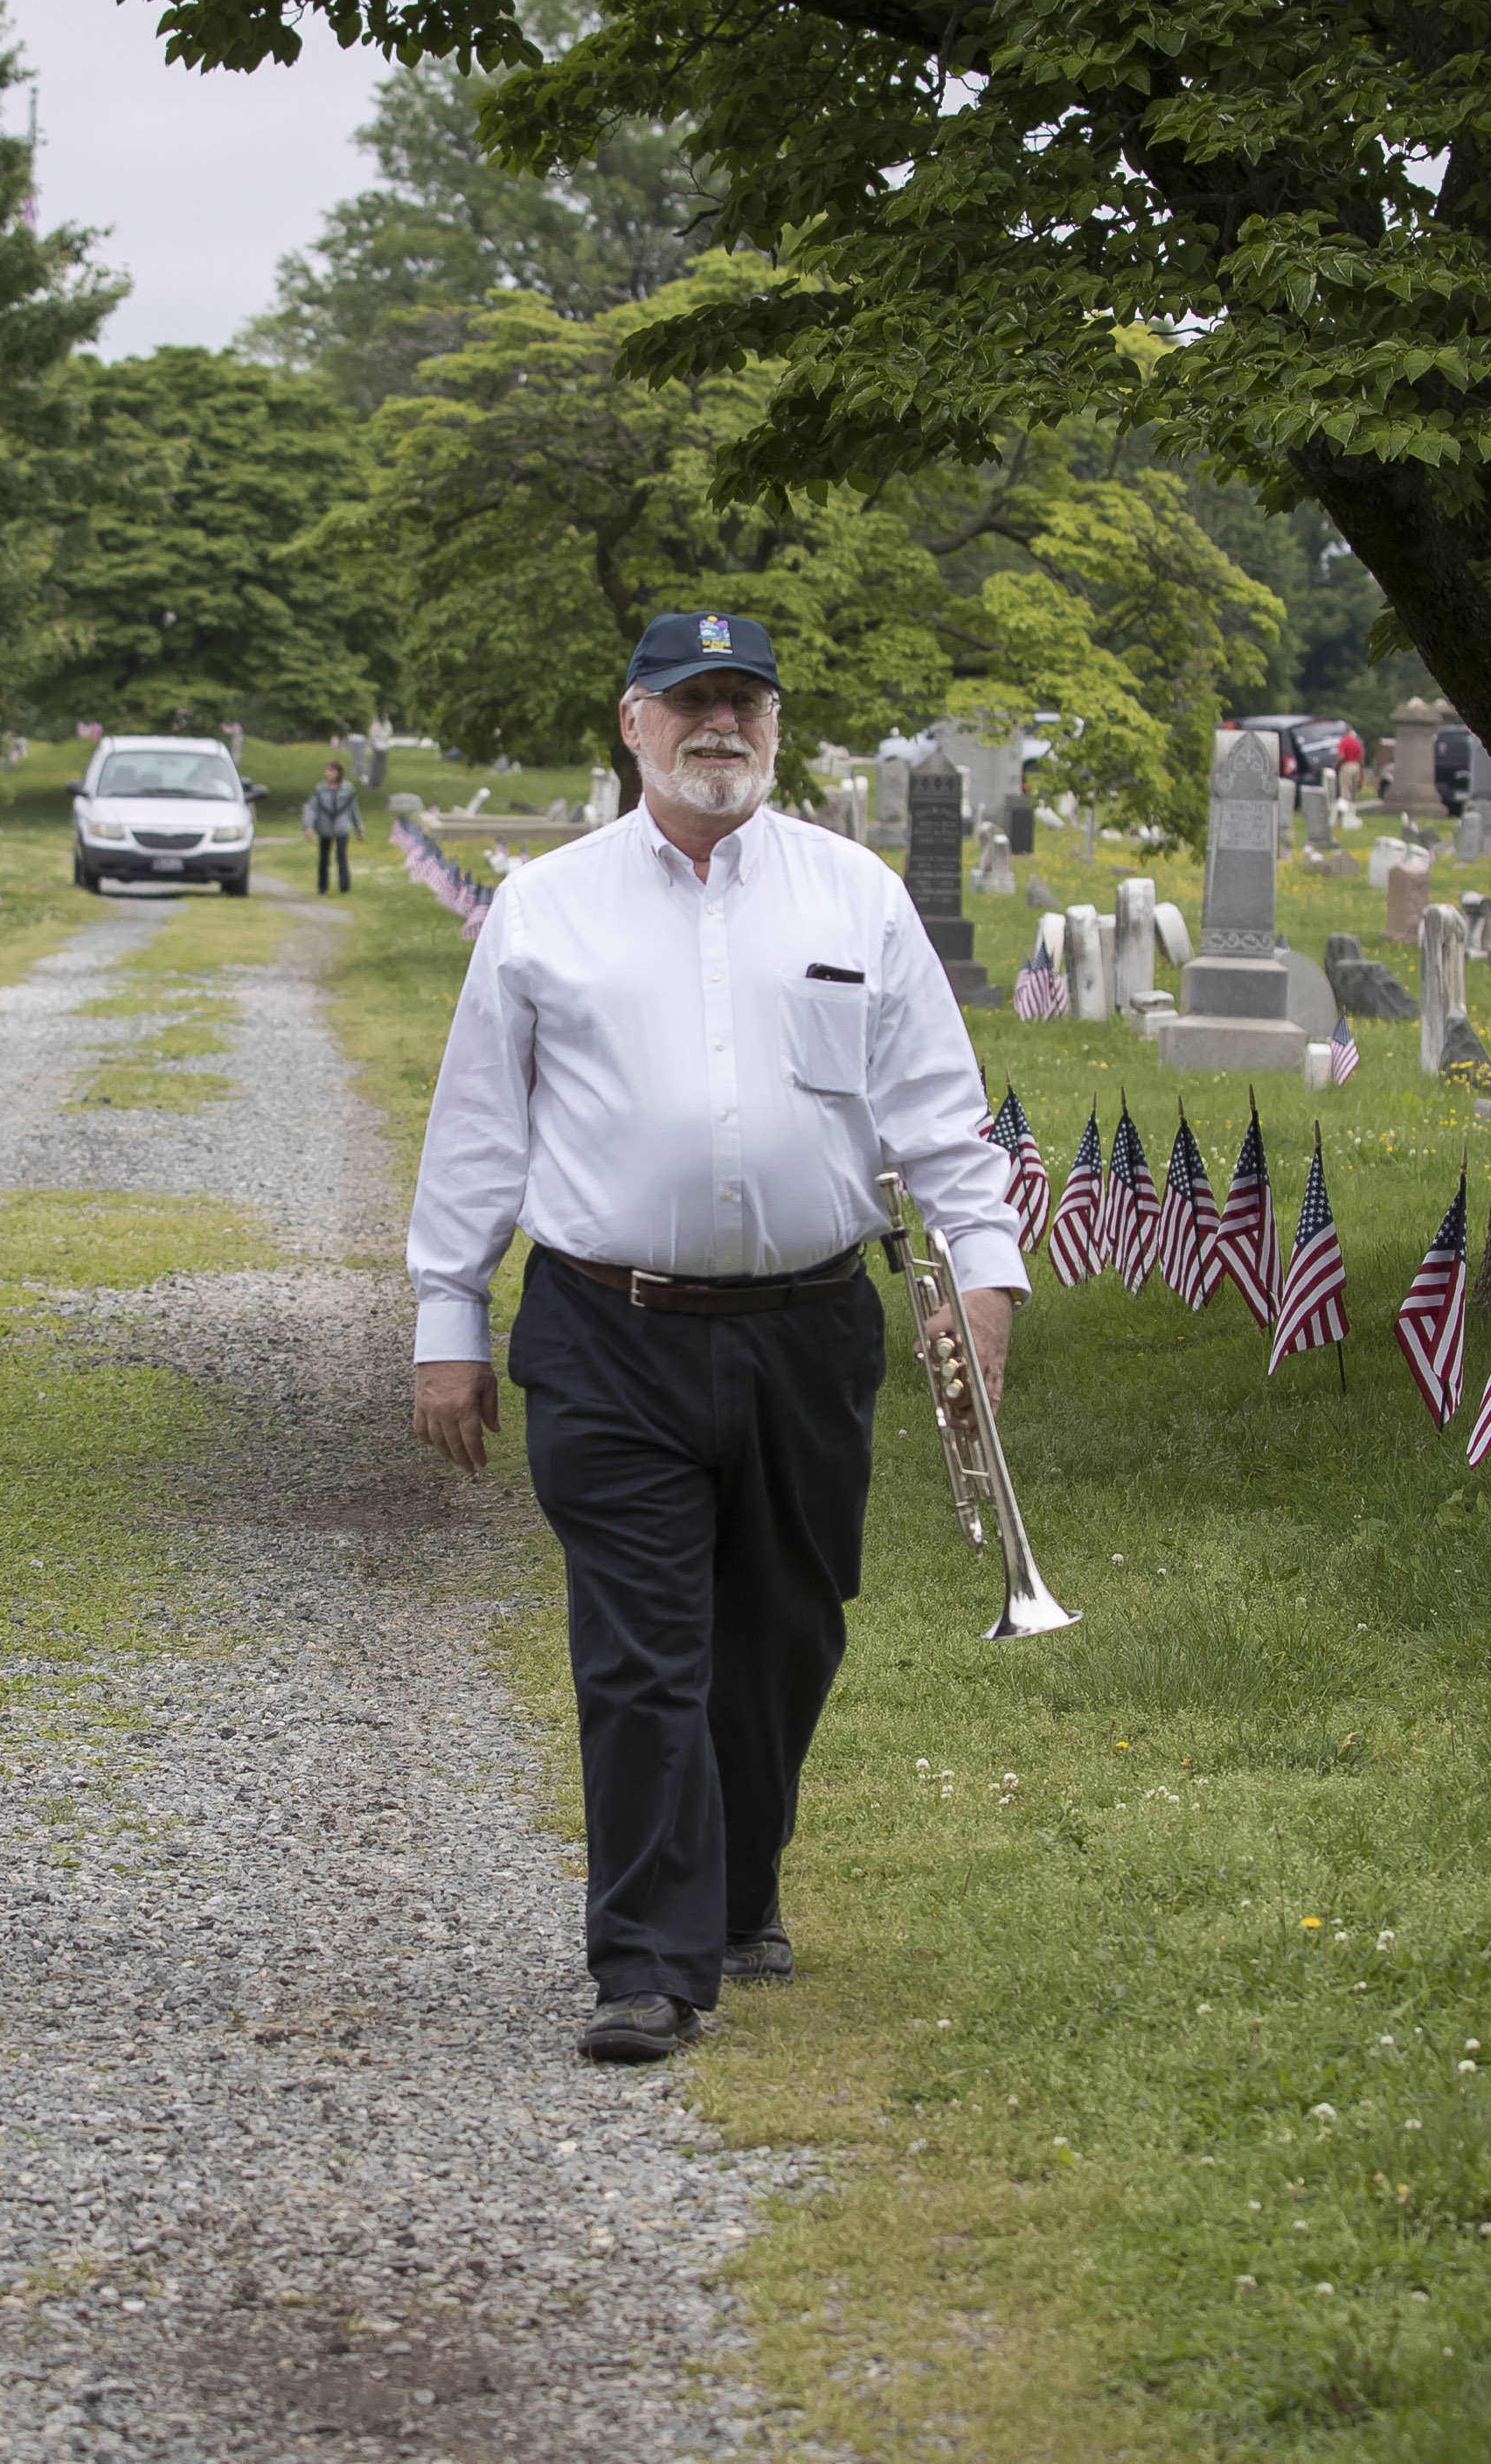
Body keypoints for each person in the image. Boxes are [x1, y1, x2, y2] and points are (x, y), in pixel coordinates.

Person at [404, 613, 1024, 2065]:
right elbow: (479, 1124)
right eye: (689, 703)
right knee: (641, 1654)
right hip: (604, 1330)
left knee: (781, 1639)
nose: (718, 727)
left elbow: (936, 1103)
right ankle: (643, 1962)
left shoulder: (852, 894)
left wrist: (980, 1273)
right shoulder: (544, 908)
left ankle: (737, 1887)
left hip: (807, 1330)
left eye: (742, 702)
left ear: (772, 724)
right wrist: (450, 1320)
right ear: (631, 723)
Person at [304, 755, 362, 894]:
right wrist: (308, 826)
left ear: (338, 772)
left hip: (342, 828)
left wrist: (359, 828)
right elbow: (312, 808)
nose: (328, 773)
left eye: (331, 771)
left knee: (341, 856)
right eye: (327, 770)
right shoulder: (320, 789)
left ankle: (344, 886)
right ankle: (322, 888)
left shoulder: (348, 789)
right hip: (325, 828)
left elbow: (354, 809)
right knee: (323, 859)